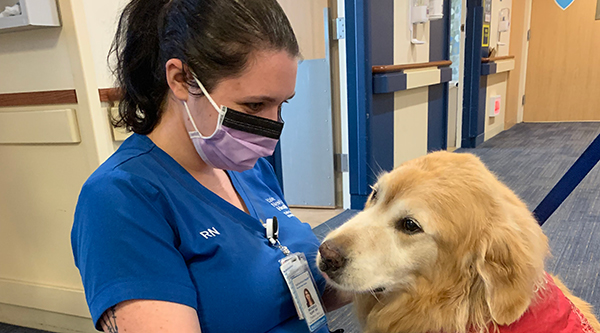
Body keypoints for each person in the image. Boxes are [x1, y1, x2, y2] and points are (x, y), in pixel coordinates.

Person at [70, 0, 350, 332]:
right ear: (180, 79)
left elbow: (302, 294)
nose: (272, 127)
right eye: (254, 105)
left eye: (281, 105)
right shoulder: (120, 199)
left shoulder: (250, 169)